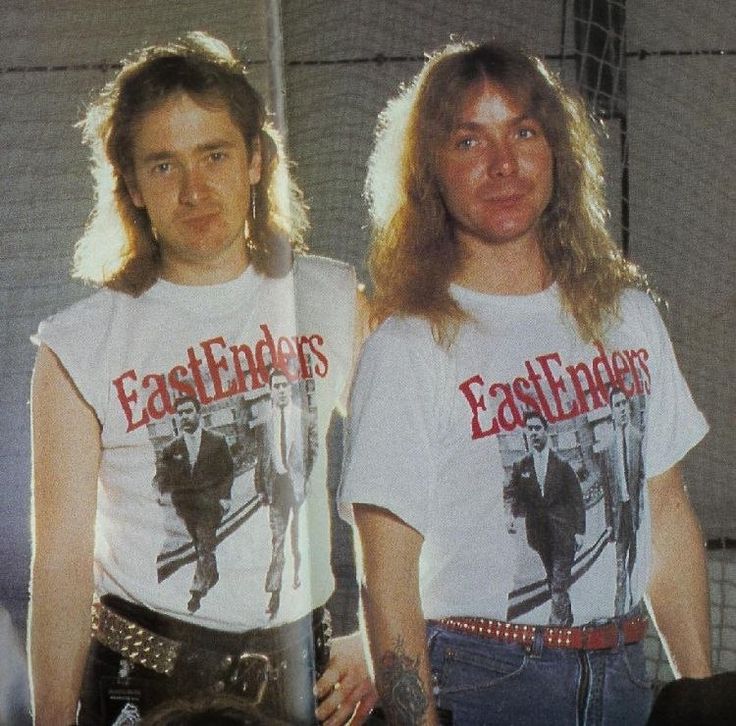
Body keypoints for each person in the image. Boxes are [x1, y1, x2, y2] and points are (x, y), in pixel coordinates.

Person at [339, 41, 711, 725]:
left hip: (625, 672)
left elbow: (663, 510)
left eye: (524, 133)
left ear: (557, 151)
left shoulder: (626, 314)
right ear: (430, 171)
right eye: (469, 141)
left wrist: (703, 692)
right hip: (485, 677)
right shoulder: (409, 345)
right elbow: (384, 575)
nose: (503, 165)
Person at [29, 32, 375, 726]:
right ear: (131, 185)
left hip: (306, 681)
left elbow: (404, 490)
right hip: (149, 683)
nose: (194, 190)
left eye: (214, 155)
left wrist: (371, 637)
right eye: (164, 165)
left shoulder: (330, 297)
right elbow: (61, 566)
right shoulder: (80, 343)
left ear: (255, 161)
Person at [155, 395, 235, 613]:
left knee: (204, 544)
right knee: (202, 544)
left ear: (198, 413)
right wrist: (163, 493)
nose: (184, 417)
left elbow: (228, 471)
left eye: (189, 411)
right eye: (180, 413)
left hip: (210, 505)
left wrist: (225, 497)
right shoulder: (172, 448)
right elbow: (165, 476)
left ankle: (196, 592)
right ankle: (212, 573)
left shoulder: (216, 441)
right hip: (186, 509)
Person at [506, 411, 585, 626]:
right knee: (553, 579)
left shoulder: (562, 464)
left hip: (563, 534)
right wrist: (510, 514)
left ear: (545, 431)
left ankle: (556, 627)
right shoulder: (521, 466)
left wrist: (580, 531)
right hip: (540, 536)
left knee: (558, 583)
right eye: (529, 429)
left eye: (537, 428)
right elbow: (513, 494)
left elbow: (577, 499)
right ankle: (566, 619)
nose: (533, 433)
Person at [255, 368, 318, 618]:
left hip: (298, 488)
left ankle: (298, 574)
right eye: (276, 386)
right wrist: (261, 489)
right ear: (270, 391)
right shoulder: (265, 423)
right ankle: (274, 593)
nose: (281, 390)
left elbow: (313, 452)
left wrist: (308, 481)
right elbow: (262, 458)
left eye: (284, 385)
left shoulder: (304, 418)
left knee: (298, 538)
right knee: (277, 541)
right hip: (277, 489)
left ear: (290, 389)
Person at [605, 386, 646, 616]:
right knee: (619, 568)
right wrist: (608, 523)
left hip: (635, 513)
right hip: (619, 515)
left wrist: (643, 509)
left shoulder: (637, 438)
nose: (621, 409)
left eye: (624, 404)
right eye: (617, 405)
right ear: (611, 411)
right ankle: (618, 614)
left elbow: (642, 479)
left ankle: (632, 604)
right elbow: (608, 490)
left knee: (634, 565)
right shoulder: (608, 447)